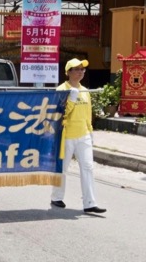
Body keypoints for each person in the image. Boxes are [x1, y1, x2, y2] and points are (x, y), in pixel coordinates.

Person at [51, 58, 106, 214]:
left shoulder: (85, 91)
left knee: (88, 167)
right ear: (68, 72)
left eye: (83, 69)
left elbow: (87, 114)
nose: (81, 72)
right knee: (63, 168)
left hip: (83, 135)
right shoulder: (62, 89)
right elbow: (61, 114)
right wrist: (72, 99)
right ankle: (56, 196)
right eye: (77, 69)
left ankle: (90, 203)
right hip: (66, 136)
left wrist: (90, 131)